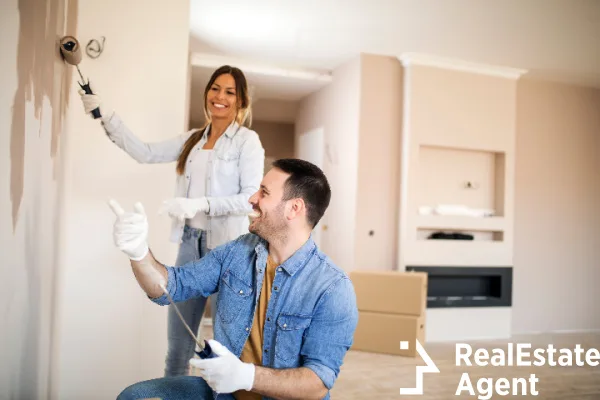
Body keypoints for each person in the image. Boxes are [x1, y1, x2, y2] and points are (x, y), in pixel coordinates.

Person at [109, 159, 358, 400]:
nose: (252, 199)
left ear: (294, 208)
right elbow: (170, 288)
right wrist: (139, 253)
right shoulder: (237, 252)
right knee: (135, 397)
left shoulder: (332, 288)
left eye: (264, 192)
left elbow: (317, 383)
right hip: (224, 395)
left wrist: (246, 376)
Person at [80, 65, 265, 377]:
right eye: (215, 88)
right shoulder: (193, 139)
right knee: (178, 349)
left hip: (229, 251)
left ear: (241, 101)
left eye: (229, 92)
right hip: (190, 245)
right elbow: (145, 152)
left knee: (225, 350)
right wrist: (103, 116)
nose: (219, 96)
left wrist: (199, 203)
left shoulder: (247, 142)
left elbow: (249, 198)